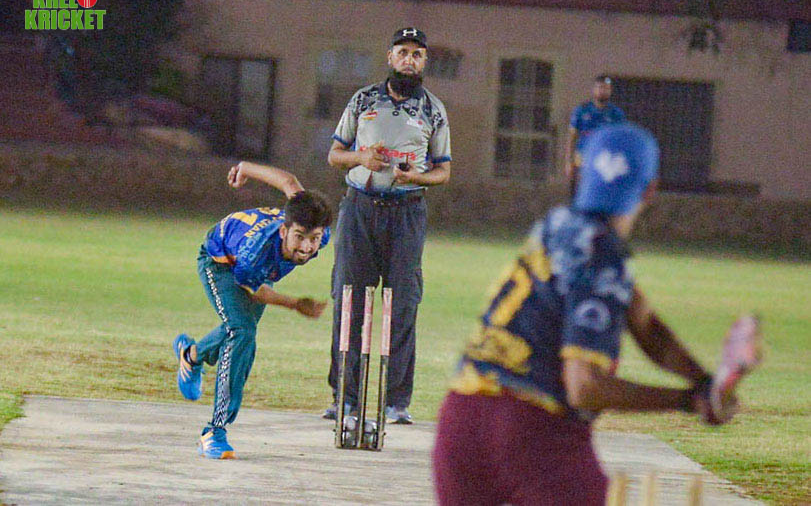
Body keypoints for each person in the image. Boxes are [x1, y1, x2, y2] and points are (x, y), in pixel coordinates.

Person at [432, 124, 737, 505]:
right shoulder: (605, 257)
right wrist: (687, 400)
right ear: (650, 189)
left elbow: (645, 324)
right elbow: (584, 386)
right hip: (533, 431)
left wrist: (704, 382)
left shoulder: (557, 225)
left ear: (580, 173)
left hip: (461, 420)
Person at [323, 27, 452, 424]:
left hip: (406, 212)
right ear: (390, 57)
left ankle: (396, 402)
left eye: (417, 54)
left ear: (424, 61)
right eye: (403, 52)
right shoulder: (363, 100)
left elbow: (443, 171)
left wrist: (417, 177)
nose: (409, 60)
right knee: (350, 299)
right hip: (360, 208)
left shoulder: (433, 109)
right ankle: (345, 398)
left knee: (402, 303)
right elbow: (335, 154)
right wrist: (361, 158)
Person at [172, 161, 333, 459]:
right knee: (242, 331)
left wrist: (246, 167)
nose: (306, 247)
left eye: (313, 239)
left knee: (239, 327)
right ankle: (214, 431)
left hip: (261, 270)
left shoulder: (315, 227)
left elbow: (289, 181)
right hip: (220, 262)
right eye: (299, 237)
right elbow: (257, 292)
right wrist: (296, 304)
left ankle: (191, 356)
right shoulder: (255, 250)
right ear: (284, 230)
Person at [565, 75, 626, 196]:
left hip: (604, 162)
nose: (602, 91)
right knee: (580, 195)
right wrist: (568, 162)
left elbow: (620, 140)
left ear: (610, 91)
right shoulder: (581, 110)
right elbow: (572, 137)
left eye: (606, 88)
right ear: (594, 89)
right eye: (599, 87)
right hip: (583, 159)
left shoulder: (616, 113)